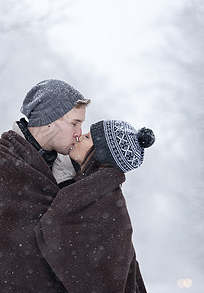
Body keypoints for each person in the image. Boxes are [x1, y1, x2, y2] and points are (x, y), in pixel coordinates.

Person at [0, 79, 91, 292]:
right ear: (50, 120)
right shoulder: (0, 167)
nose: (79, 132)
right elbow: (0, 255)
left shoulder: (71, 167)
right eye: (74, 123)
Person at [35, 120, 155, 293]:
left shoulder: (103, 202)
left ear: (101, 153)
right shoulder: (93, 192)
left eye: (88, 137)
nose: (79, 136)